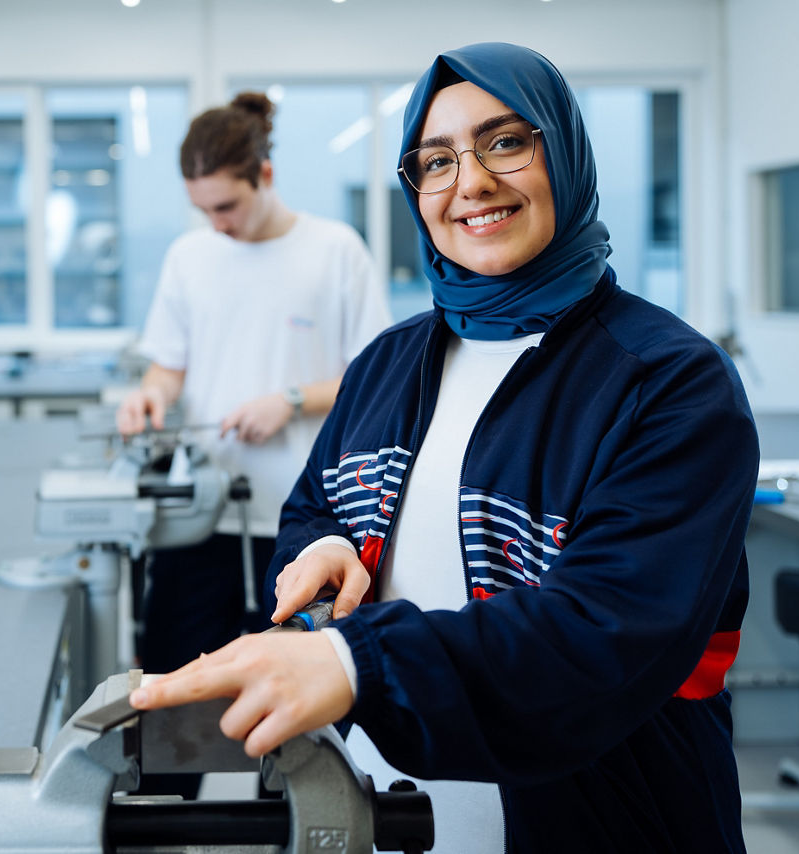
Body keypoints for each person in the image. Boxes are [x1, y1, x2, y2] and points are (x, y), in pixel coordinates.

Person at [130, 43, 757, 853]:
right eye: (435, 161)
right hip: (379, 813)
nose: (471, 183)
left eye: (504, 142)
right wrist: (323, 547)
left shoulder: (670, 381)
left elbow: (604, 631)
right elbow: (316, 505)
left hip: (603, 820)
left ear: (562, 149)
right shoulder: (391, 363)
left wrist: (355, 665)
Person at [115, 91, 393, 675]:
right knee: (173, 704)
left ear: (265, 174)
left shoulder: (336, 252)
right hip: (203, 518)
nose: (218, 224)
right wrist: (151, 395)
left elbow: (374, 383)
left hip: (306, 529)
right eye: (205, 210)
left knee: (299, 733)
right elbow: (168, 366)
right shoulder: (190, 257)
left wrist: (290, 402)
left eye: (228, 207)